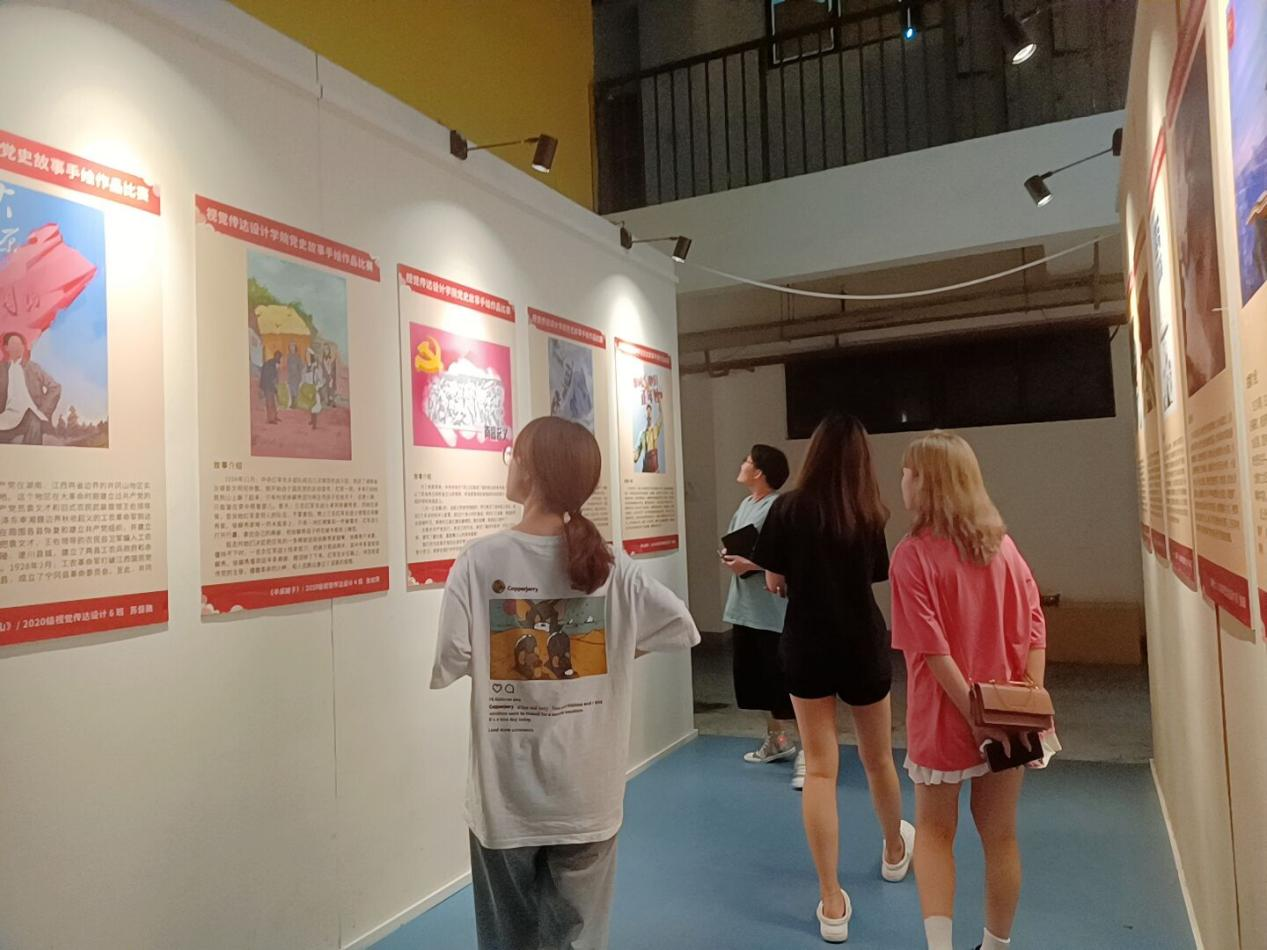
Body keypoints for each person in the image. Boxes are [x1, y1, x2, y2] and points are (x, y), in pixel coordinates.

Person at [431, 416, 699, 950]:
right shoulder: (611, 565)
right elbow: (681, 626)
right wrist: (615, 649)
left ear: (529, 469)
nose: (508, 463)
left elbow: (452, 657)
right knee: (579, 940)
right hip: (587, 794)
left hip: (506, 794)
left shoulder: (480, 560)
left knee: (508, 938)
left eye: (512, 454)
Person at [889, 431, 1056, 950]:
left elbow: (932, 649)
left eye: (907, 472)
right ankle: (996, 945)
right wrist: (1026, 699)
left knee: (935, 834)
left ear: (926, 482)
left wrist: (972, 713)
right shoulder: (1004, 547)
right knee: (1000, 835)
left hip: (943, 718)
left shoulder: (912, 556)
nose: (902, 481)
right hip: (1008, 718)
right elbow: (1036, 627)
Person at [753, 413, 914, 943]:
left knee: (820, 770)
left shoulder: (786, 509)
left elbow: (773, 580)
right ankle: (895, 850)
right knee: (877, 758)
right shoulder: (869, 512)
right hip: (862, 642)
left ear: (815, 453)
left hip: (807, 642)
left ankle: (830, 901)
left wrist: (790, 578)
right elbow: (873, 574)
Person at [719, 444, 802, 786]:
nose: (742, 465)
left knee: (785, 682)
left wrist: (750, 565)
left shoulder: (779, 507)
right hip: (745, 608)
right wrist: (729, 557)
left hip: (772, 610)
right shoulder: (746, 504)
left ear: (760, 472)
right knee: (759, 682)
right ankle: (777, 739)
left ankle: (810, 752)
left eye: (747, 461)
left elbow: (787, 556)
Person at [0, 331, 60, 445]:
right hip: (7, 415)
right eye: (14, 344)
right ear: (6, 348)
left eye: (20, 344)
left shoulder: (33, 368)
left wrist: (43, 410)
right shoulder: (2, 370)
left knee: (34, 421)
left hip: (32, 414)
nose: (18, 347)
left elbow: (55, 387)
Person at [632, 400, 662, 473]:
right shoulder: (642, 434)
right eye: (647, 410)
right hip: (646, 471)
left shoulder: (655, 429)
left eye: (650, 410)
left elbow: (661, 416)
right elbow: (635, 456)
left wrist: (660, 402)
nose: (649, 413)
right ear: (644, 415)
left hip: (655, 471)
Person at [259, 351, 281, 425]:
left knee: (273, 403)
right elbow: (268, 378)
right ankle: (271, 419)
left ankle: (274, 417)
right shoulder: (270, 365)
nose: (279, 359)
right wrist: (273, 387)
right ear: (276, 356)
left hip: (270, 386)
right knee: (270, 403)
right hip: (267, 386)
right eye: (278, 357)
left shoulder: (272, 363)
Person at [286, 342, 303, 408]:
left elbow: (301, 366)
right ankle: (293, 403)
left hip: (296, 376)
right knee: (291, 390)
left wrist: (300, 376)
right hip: (291, 376)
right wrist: (288, 376)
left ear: (295, 347)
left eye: (293, 346)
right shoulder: (289, 356)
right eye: (290, 346)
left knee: (295, 389)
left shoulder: (297, 356)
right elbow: (288, 367)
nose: (291, 348)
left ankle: (295, 403)